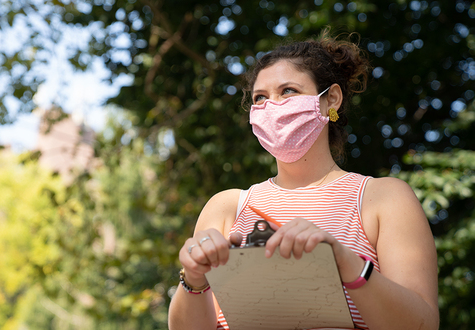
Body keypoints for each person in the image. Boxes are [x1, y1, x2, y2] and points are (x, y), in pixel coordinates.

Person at [167, 29, 439, 330]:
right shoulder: (226, 207)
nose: (272, 106)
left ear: (331, 99)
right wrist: (193, 279)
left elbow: (422, 324)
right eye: (260, 98)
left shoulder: (384, 198)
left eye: (288, 91)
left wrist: (344, 262)